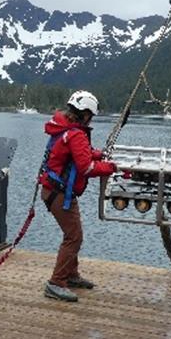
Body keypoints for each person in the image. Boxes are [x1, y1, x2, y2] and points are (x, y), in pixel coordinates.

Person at [38, 90, 117, 302]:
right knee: (74, 237)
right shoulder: (76, 134)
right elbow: (86, 168)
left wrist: (99, 154)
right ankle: (56, 283)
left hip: (54, 191)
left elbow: (81, 153)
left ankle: (70, 276)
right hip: (59, 193)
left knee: (72, 234)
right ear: (85, 114)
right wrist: (111, 167)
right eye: (91, 115)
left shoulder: (66, 130)